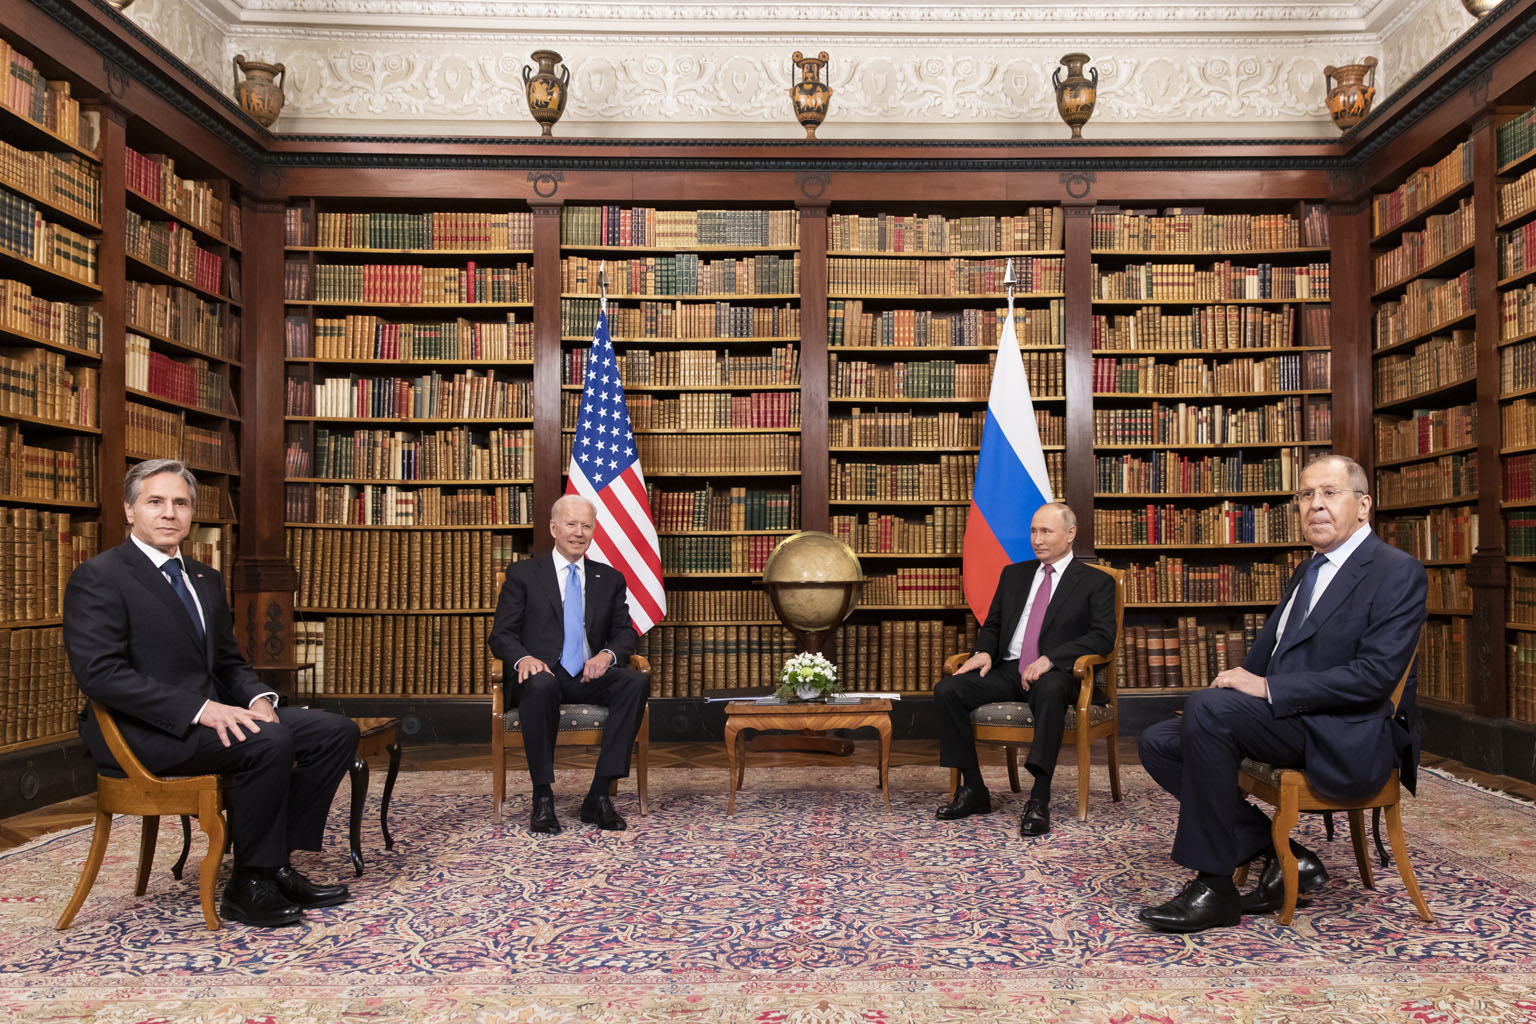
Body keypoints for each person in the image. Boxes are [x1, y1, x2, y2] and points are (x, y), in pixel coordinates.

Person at [1137, 454, 1427, 933]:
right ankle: (1284, 853)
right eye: (1305, 495)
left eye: (1330, 493)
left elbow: (1374, 677)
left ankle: (1213, 887)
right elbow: (1270, 651)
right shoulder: (1308, 570)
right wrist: (1235, 684)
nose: (1315, 505)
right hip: (1294, 716)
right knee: (1160, 741)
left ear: (1363, 506)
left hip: (1345, 728)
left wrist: (1265, 688)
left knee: (1207, 714)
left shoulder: (1396, 571)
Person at [63, 460, 359, 928]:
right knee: (268, 742)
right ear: (129, 510)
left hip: (210, 719)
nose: (169, 513)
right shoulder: (100, 576)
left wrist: (260, 699)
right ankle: (249, 885)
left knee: (334, 731)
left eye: (180, 503)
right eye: (155, 501)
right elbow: (102, 675)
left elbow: (227, 663)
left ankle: (273, 863)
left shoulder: (205, 579)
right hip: (144, 732)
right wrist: (201, 710)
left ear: (191, 513)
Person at [933, 502, 1116, 837]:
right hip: (1008, 670)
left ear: (1070, 534)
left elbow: (1102, 637)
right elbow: (993, 624)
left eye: (1046, 531)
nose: (1037, 539)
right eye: (1033, 531)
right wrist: (984, 651)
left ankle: (1039, 798)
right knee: (948, 689)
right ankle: (974, 789)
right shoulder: (1014, 574)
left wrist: (1051, 659)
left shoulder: (1095, 581)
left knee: (1051, 688)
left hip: (1059, 674)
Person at [488, 494, 650, 835]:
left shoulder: (609, 578)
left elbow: (624, 634)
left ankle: (598, 796)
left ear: (593, 531)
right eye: (572, 524)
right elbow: (501, 635)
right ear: (554, 528)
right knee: (541, 684)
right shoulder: (524, 573)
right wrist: (524, 658)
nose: (579, 532)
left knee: (635, 683)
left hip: (589, 674)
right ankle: (543, 796)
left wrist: (607, 656)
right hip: (542, 674)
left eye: (586, 526)